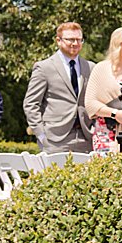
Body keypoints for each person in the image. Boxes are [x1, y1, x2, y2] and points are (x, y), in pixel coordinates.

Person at [24, 22, 94, 152]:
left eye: (79, 40)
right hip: (55, 139)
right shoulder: (44, 67)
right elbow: (31, 104)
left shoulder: (90, 67)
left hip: (86, 137)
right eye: (70, 39)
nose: (75, 43)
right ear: (58, 41)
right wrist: (41, 134)